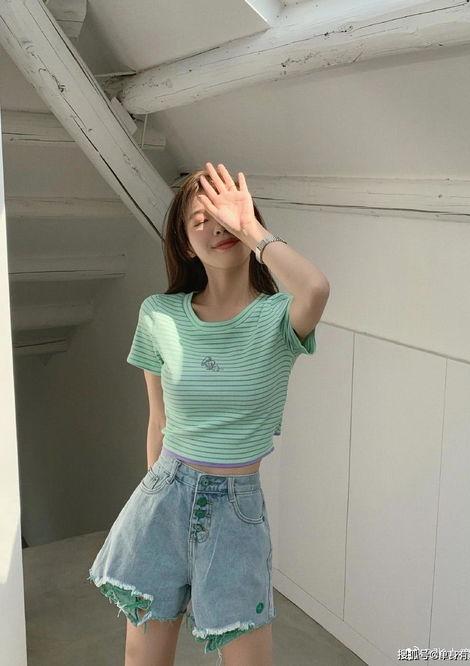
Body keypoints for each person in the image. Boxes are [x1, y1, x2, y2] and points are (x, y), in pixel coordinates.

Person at [87, 162, 330, 666]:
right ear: (183, 243)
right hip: (162, 497)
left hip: (236, 511)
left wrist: (250, 229)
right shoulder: (158, 314)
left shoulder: (278, 317)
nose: (219, 227)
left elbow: (315, 289)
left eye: (227, 216)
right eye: (202, 220)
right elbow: (158, 421)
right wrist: (156, 494)